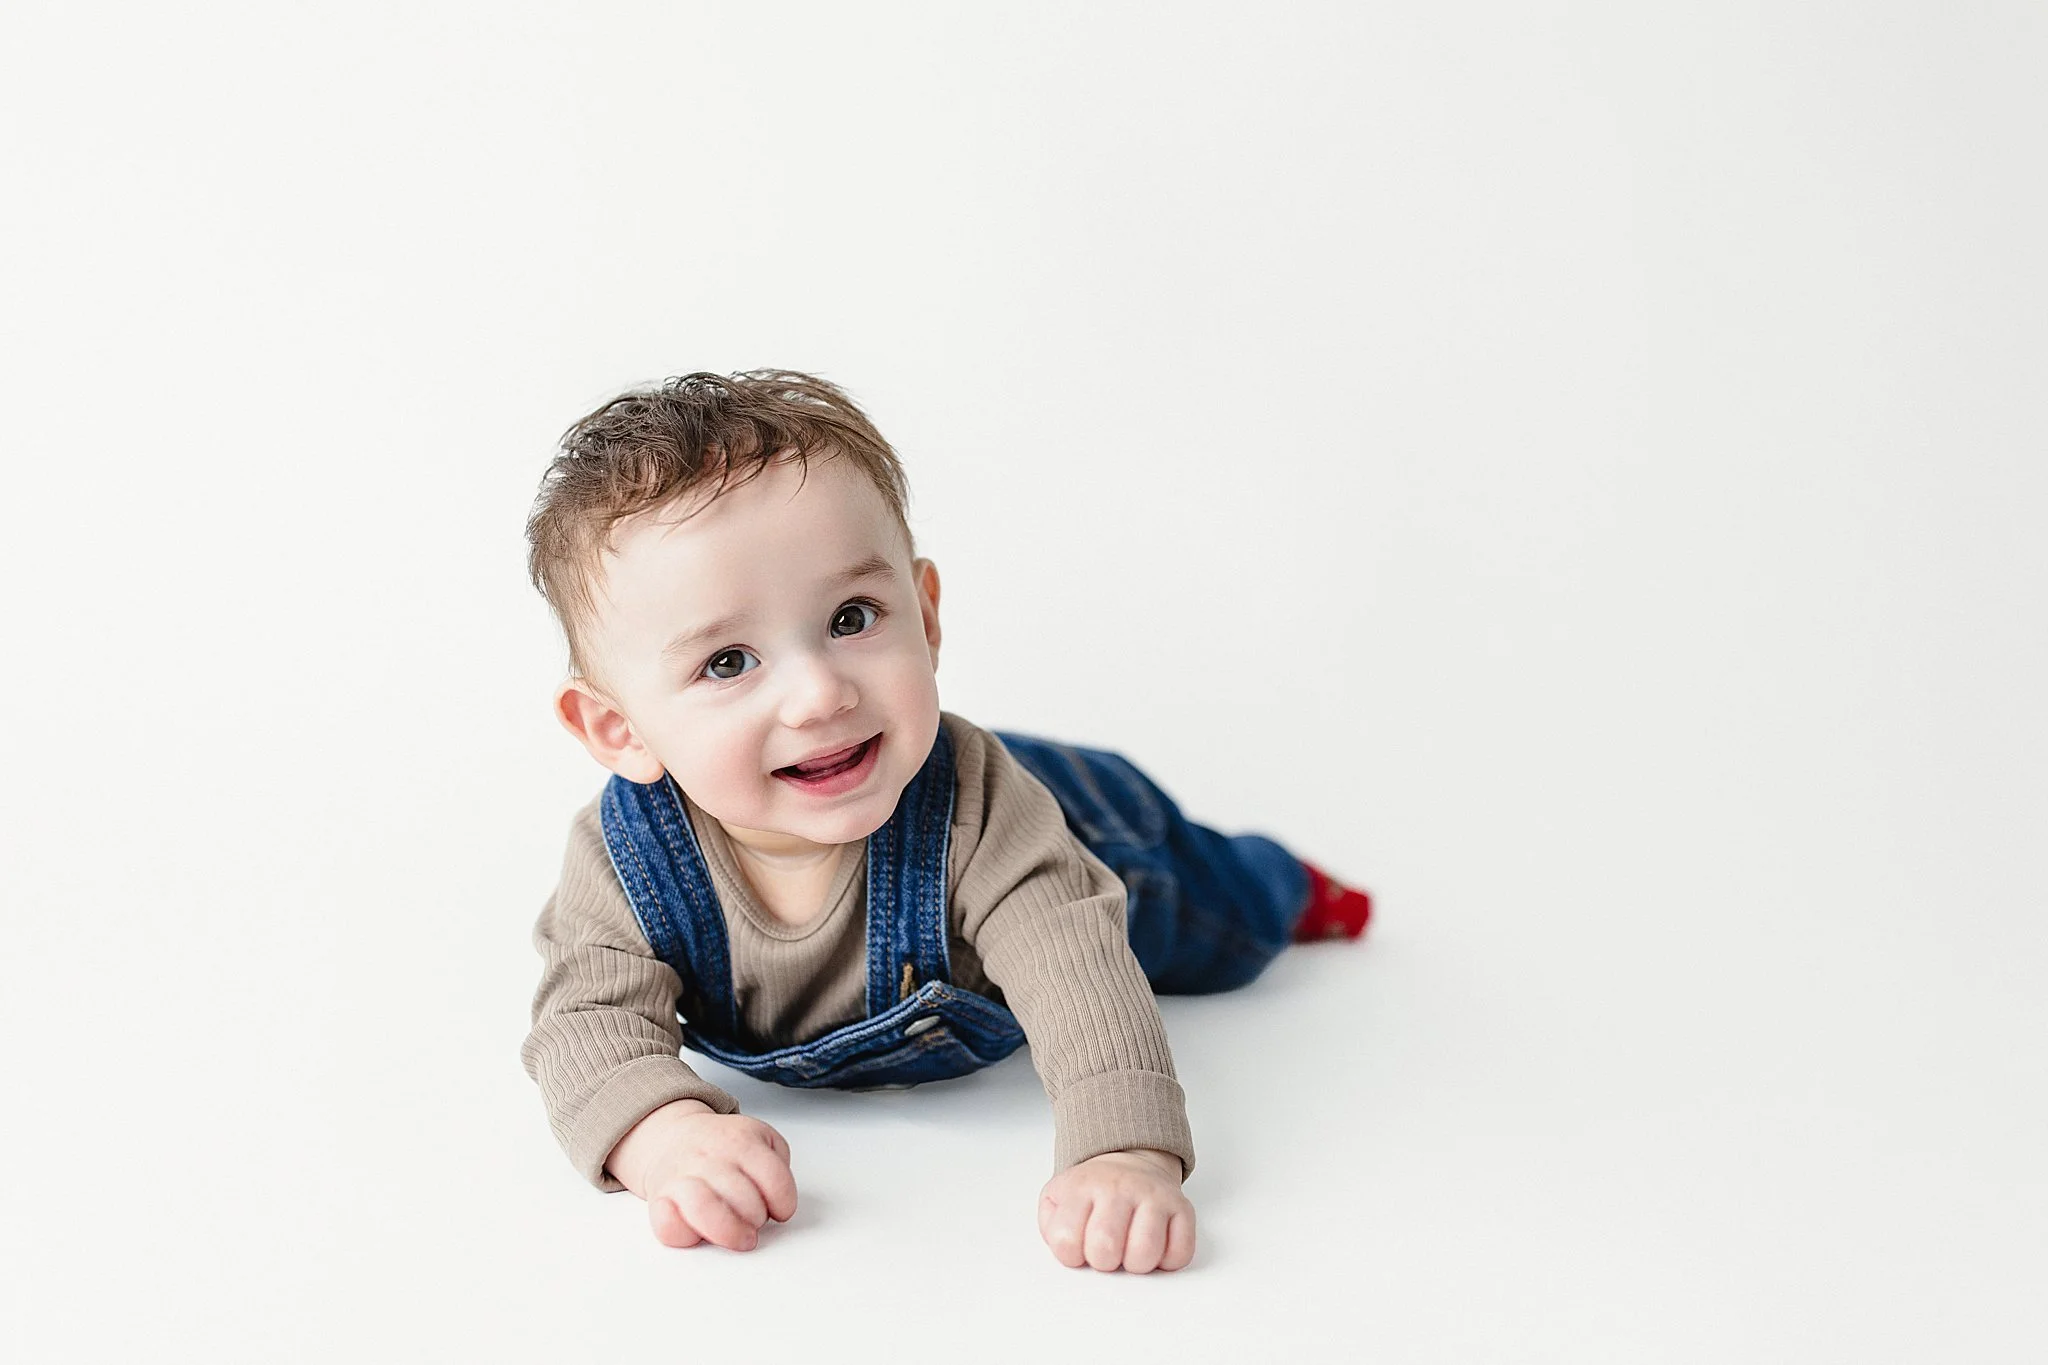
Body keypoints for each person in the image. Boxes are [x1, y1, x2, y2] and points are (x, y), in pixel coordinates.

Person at [519, 370, 1373, 1274]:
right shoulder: (627, 861)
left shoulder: (981, 807)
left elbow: (1076, 972)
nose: (819, 693)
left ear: (924, 616)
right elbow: (584, 1021)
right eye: (729, 661)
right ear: (618, 729)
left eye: (852, 617)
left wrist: (1122, 1153)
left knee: (1214, 918)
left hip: (1098, 835)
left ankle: (1289, 886)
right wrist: (662, 1135)